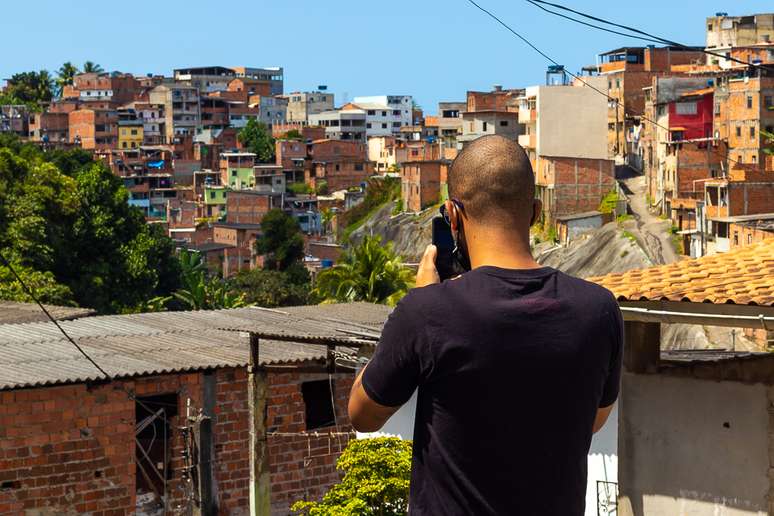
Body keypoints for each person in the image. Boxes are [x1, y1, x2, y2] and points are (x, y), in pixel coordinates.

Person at [348, 135, 623, 515]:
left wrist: (420, 303)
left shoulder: (428, 312)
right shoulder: (599, 309)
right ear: (536, 212)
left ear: (453, 215)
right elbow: (594, 421)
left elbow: (362, 413)